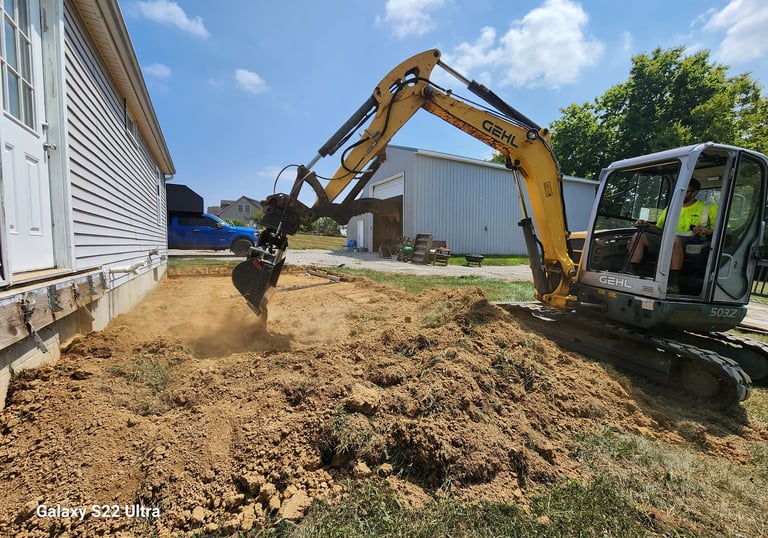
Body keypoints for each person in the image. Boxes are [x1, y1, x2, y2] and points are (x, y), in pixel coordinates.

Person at [628, 178, 717, 292]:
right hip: (667, 239)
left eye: (685, 191)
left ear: (695, 192)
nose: (680, 194)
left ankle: (674, 282)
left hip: (693, 240)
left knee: (674, 240)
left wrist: (707, 231)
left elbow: (723, 230)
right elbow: (660, 229)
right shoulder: (671, 208)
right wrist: (646, 225)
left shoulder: (709, 208)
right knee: (638, 236)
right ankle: (632, 271)